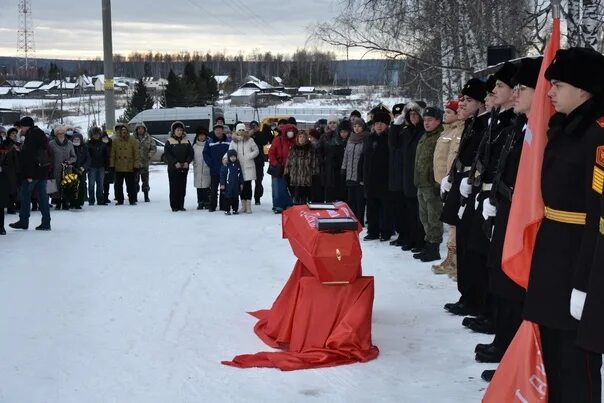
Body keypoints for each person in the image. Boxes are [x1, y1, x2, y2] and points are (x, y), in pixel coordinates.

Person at [522, 47, 604, 401]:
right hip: (554, 256)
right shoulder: (566, 129)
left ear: (584, 89)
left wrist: (586, 282)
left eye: (557, 84)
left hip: (578, 262)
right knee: (554, 353)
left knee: (578, 364)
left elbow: (598, 216)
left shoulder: (597, 135)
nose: (550, 92)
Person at [478, 56, 542, 382]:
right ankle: (504, 345)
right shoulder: (520, 125)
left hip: (524, 219)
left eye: (521, 88)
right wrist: (493, 197)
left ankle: (513, 356)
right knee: (501, 278)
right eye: (512, 87)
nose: (515, 94)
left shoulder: (541, 130)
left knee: (515, 288)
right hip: (506, 209)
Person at [441, 78, 489, 316]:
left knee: (471, 245)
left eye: (469, 100)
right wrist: (450, 177)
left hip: (473, 186)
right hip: (462, 183)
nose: (463, 104)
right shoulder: (471, 124)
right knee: (462, 240)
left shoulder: (485, 124)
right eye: (463, 100)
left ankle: (474, 297)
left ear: (481, 103)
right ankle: (466, 293)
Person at [432, 99, 464, 274]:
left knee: (454, 223)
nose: (446, 115)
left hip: (455, 182)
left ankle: (453, 259)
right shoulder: (447, 131)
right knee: (451, 222)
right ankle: (452, 259)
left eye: (449, 112)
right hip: (444, 181)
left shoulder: (460, 130)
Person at [9, 116, 51, 231]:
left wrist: (29, 175)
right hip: (42, 172)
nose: (21, 129)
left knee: (25, 196)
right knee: (43, 198)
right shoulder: (39, 134)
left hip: (33, 173)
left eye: (22, 127)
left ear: (27, 126)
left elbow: (29, 157)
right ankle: (46, 222)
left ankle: (23, 221)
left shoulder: (31, 137)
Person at [414, 107, 445, 262]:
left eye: (430, 120)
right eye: (425, 120)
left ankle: (434, 249)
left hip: (432, 184)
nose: (426, 123)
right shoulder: (425, 136)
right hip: (422, 183)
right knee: (424, 217)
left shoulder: (440, 136)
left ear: (438, 121)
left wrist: (436, 182)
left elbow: (438, 162)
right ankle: (428, 246)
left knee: (434, 218)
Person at [395, 102, 426, 250]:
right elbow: (393, 144)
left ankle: (420, 241)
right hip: (407, 176)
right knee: (410, 212)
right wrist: (396, 125)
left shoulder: (423, 131)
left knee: (420, 213)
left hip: (419, 176)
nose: (413, 117)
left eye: (416, 114)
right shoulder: (406, 131)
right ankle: (412, 239)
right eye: (410, 115)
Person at [361, 111, 393, 241]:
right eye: (376, 123)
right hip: (370, 178)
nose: (379, 126)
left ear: (386, 125)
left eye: (382, 123)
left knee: (385, 207)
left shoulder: (389, 138)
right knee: (372, 206)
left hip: (385, 178)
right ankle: (372, 231)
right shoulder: (369, 138)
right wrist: (361, 176)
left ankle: (385, 231)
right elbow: (363, 158)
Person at [229, 123, 259, 213]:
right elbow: (230, 152)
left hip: (249, 166)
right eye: (239, 130)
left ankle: (248, 206)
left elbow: (256, 151)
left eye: (243, 130)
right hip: (239, 167)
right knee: (241, 187)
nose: (241, 132)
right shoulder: (233, 141)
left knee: (248, 186)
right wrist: (228, 158)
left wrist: (249, 156)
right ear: (237, 131)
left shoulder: (250, 140)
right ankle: (243, 205)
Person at [342, 117, 367, 226]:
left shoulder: (365, 139)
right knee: (350, 199)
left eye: (359, 126)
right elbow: (346, 155)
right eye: (355, 126)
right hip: (349, 174)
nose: (357, 128)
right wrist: (343, 168)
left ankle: (360, 219)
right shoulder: (350, 139)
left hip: (359, 175)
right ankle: (351, 219)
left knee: (360, 200)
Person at [164, 121, 194, 212]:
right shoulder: (169, 141)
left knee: (182, 187)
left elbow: (191, 153)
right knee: (174, 187)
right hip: (173, 168)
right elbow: (167, 154)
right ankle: (174, 206)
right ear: (174, 131)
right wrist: (175, 162)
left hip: (184, 168)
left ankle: (181, 205)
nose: (179, 132)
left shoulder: (186, 141)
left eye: (181, 130)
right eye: (177, 130)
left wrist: (187, 162)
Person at [285, 130, 320, 205]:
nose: (302, 138)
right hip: (295, 178)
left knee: (305, 201)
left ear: (306, 138)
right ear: (297, 138)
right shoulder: (293, 148)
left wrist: (315, 175)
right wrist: (286, 173)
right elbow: (289, 161)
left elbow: (314, 163)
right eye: (300, 137)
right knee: (295, 200)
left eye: (304, 137)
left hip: (306, 179)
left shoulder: (311, 149)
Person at [319, 117, 348, 202]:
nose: (332, 125)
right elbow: (319, 150)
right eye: (330, 123)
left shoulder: (341, 135)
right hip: (328, 167)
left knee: (340, 190)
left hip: (340, 166)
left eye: (334, 123)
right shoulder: (324, 136)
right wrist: (323, 160)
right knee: (329, 190)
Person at [268, 123, 296, 213]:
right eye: (289, 131)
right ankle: (278, 205)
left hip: (291, 168)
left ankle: (289, 204)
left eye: (292, 131)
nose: (290, 133)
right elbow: (271, 153)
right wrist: (275, 163)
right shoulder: (277, 140)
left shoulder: (295, 141)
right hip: (279, 167)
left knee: (289, 187)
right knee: (278, 187)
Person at [110, 124, 140, 206]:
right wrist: (112, 165)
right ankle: (120, 200)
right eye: (122, 129)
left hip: (129, 166)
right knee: (118, 185)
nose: (123, 131)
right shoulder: (115, 140)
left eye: (125, 129)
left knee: (131, 185)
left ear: (127, 130)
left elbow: (136, 153)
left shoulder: (132, 140)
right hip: (118, 166)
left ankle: (132, 200)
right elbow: (112, 154)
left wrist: (136, 165)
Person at [203, 122, 230, 212]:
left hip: (225, 169)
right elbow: (205, 153)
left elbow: (232, 152)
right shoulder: (209, 141)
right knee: (214, 189)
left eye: (220, 130)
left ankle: (223, 205)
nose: (218, 131)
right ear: (214, 131)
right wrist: (211, 163)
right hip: (214, 169)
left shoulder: (228, 140)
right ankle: (212, 206)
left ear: (222, 131)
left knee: (224, 188)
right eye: (216, 130)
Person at [48, 125, 77, 210]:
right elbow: (48, 156)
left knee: (67, 184)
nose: (61, 135)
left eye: (62, 133)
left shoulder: (70, 143)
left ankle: (65, 202)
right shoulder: (51, 143)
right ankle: (57, 202)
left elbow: (74, 156)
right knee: (55, 184)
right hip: (55, 168)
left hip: (67, 168)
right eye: (59, 133)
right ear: (56, 134)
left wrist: (69, 161)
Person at [133, 123, 157, 203]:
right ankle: (135, 196)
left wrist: (149, 155)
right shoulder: (132, 138)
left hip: (144, 163)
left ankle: (146, 196)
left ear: (144, 129)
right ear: (136, 130)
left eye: (142, 128)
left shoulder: (149, 138)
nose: (140, 130)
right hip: (135, 163)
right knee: (135, 181)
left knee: (145, 181)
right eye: (139, 129)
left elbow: (153, 148)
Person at [87, 127, 109, 205]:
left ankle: (100, 199)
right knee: (91, 184)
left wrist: (107, 167)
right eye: (94, 134)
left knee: (100, 184)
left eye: (97, 134)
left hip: (101, 167)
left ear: (100, 135)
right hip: (91, 167)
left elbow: (106, 157)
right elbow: (87, 157)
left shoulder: (103, 144)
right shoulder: (88, 144)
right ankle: (91, 200)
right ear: (92, 135)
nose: (96, 136)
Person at [250, 120, 271, 205]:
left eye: (255, 126)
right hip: (250, 161)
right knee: (248, 181)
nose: (254, 128)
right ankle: (247, 198)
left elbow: (265, 141)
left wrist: (259, 132)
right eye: (252, 127)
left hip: (259, 161)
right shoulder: (248, 136)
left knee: (258, 181)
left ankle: (257, 198)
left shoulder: (260, 134)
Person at [192, 127, 211, 210]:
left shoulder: (209, 144)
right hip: (197, 168)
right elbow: (192, 157)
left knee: (206, 187)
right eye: (200, 135)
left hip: (207, 168)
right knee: (199, 187)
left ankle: (207, 202)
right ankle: (200, 202)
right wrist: (194, 163)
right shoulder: (194, 146)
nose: (202, 137)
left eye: (203, 135)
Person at [70, 131, 91, 210]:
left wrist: (84, 167)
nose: (76, 141)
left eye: (78, 139)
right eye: (74, 139)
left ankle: (79, 202)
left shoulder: (84, 147)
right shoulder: (70, 147)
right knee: (71, 187)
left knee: (81, 186)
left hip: (81, 170)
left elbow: (88, 159)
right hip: (72, 170)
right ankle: (72, 202)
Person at [220, 149, 243, 215]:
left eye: (234, 157)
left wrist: (241, 183)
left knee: (235, 198)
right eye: (231, 157)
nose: (233, 158)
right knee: (228, 198)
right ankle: (227, 210)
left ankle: (235, 209)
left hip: (236, 185)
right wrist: (222, 184)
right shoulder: (226, 166)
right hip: (228, 185)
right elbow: (222, 175)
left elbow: (240, 175)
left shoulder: (238, 165)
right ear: (229, 157)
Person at [101, 131, 114, 204]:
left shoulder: (110, 143)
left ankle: (106, 196)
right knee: (101, 183)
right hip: (101, 165)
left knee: (107, 182)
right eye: (103, 137)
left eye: (106, 137)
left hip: (109, 165)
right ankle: (101, 196)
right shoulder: (100, 144)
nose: (105, 139)